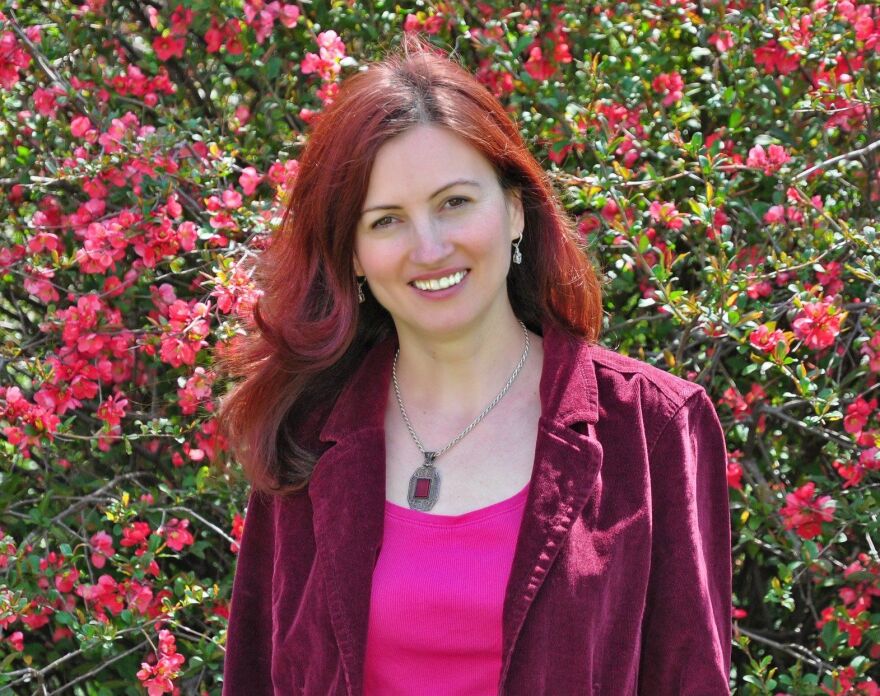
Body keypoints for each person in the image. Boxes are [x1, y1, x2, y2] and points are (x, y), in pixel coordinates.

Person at [219, 35, 732, 696]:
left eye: (455, 203)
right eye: (386, 221)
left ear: (516, 209)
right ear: (351, 256)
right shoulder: (305, 438)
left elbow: (690, 681)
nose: (429, 246)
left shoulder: (653, 429)